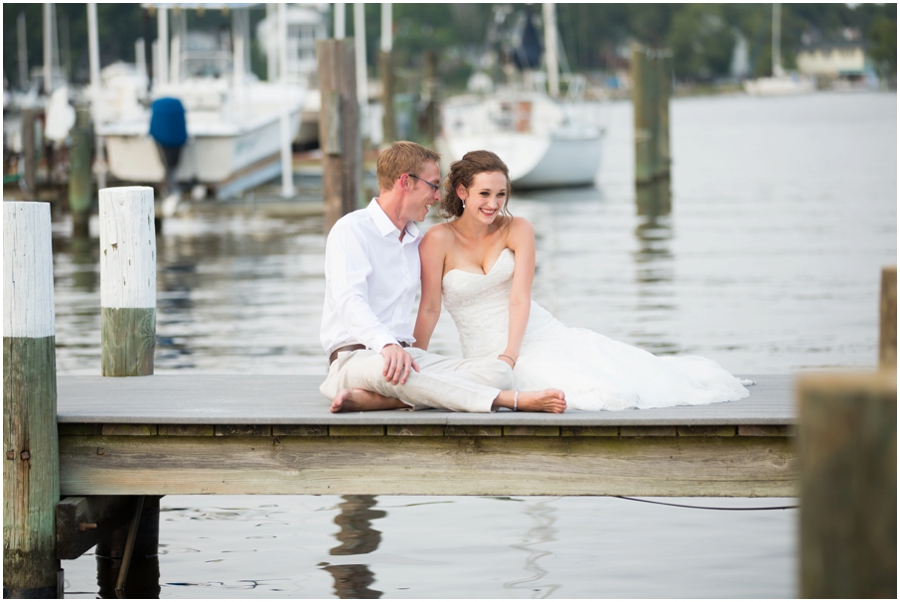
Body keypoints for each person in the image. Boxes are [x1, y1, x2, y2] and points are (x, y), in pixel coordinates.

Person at [413, 150, 752, 411]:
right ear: (462, 191)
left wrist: (510, 356)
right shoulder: (437, 240)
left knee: (603, 385)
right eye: (484, 194)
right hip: (482, 350)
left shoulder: (518, 229)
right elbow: (429, 308)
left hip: (531, 337)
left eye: (501, 195)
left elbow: (520, 298)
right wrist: (415, 363)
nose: (494, 204)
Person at [319, 141, 566, 414]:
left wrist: (406, 351)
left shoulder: (416, 241)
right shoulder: (351, 230)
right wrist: (386, 344)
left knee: (497, 372)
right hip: (356, 357)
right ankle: (508, 400)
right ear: (406, 182)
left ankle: (381, 400)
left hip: (407, 356)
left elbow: (429, 310)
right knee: (396, 372)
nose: (438, 197)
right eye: (434, 185)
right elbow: (349, 301)